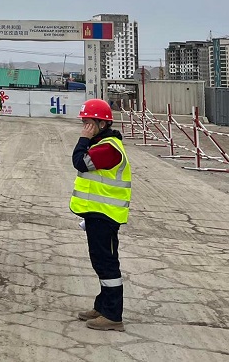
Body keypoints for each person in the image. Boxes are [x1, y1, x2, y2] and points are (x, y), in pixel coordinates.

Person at [70, 98, 131, 332]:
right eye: (83, 123)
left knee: (107, 264)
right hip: (98, 213)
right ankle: (102, 306)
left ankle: (113, 315)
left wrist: (83, 140)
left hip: (106, 215)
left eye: (88, 123)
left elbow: (80, 162)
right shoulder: (102, 144)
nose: (84, 127)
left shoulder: (109, 148)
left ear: (102, 124)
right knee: (100, 261)